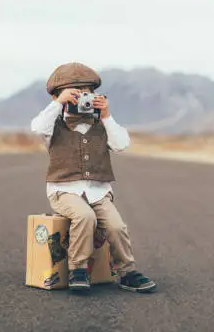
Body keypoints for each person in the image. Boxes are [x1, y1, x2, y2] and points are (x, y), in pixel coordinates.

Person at [30, 62, 157, 293]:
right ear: (60, 97)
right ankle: (78, 269)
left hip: (98, 192)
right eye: (76, 95)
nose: (82, 100)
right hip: (63, 191)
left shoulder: (102, 124)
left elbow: (121, 145)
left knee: (117, 226)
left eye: (87, 94)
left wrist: (107, 116)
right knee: (84, 216)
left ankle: (127, 272)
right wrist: (58, 104)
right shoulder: (53, 126)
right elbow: (37, 127)